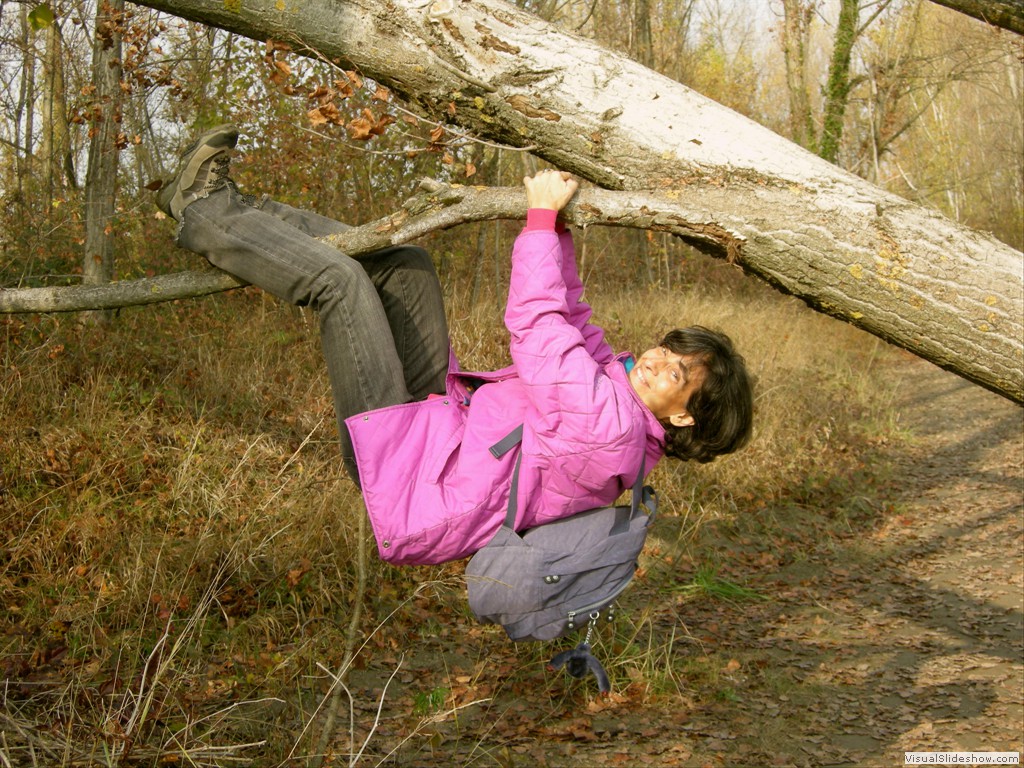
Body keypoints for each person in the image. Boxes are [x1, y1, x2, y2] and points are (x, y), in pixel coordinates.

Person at [157, 124, 753, 566]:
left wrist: (540, 220)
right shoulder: (617, 395)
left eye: (676, 374)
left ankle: (204, 213)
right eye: (667, 350)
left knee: (341, 286)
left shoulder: (608, 427)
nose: (655, 360)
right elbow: (574, 316)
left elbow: (540, 326)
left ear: (680, 416)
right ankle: (236, 212)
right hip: (439, 430)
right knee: (404, 265)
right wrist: (562, 231)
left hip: (407, 474)